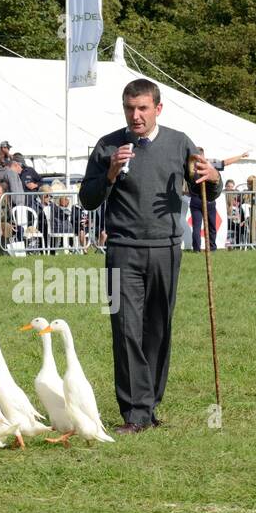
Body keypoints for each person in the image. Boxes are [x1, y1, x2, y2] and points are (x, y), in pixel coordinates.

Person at [79, 77, 219, 434]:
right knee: (126, 329)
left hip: (167, 248)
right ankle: (135, 413)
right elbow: (88, 199)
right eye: (130, 108)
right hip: (123, 248)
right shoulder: (108, 145)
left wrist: (213, 177)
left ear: (158, 108)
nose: (136, 116)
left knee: (158, 329)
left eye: (142, 108)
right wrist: (109, 172)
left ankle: (150, 403)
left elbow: (205, 188)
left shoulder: (179, 143)